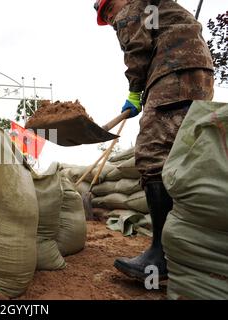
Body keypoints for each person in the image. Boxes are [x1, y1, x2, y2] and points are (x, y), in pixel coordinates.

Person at [93, 0, 214, 281]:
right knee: (180, 156)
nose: (111, 18)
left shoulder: (134, 6)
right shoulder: (156, 6)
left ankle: (162, 255)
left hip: (174, 71)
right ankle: (187, 248)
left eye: (109, 10)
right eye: (107, 15)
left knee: (151, 153)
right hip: (196, 70)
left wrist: (135, 91)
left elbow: (137, 50)